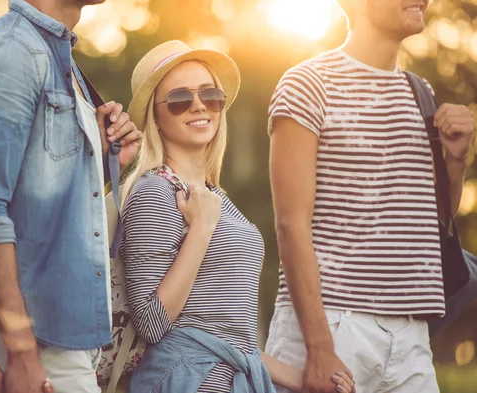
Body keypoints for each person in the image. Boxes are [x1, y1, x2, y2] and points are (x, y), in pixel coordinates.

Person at [119, 40, 355, 393]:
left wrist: (303, 380)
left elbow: (232, 338)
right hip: (184, 381)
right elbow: (152, 324)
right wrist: (200, 229)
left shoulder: (217, 199)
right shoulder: (154, 192)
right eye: (180, 99)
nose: (199, 106)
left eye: (209, 94)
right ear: (156, 117)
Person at [265, 1, 475, 392]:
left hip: (412, 337)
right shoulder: (308, 83)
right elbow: (290, 224)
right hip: (334, 326)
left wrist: (457, 159)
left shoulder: (421, 93)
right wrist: (319, 345)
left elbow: (435, 222)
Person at [0, 0, 143, 392]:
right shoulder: (12, 52)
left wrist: (107, 164)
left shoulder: (58, 57)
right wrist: (20, 351)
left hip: (63, 339)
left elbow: (40, 204)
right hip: (27, 344)